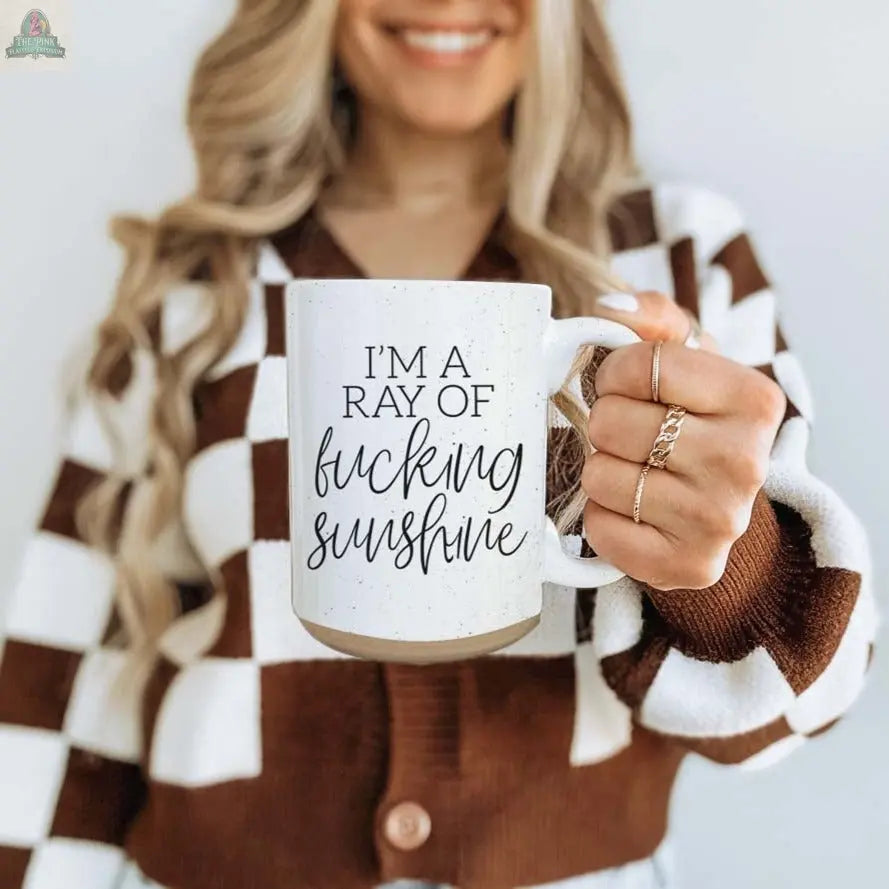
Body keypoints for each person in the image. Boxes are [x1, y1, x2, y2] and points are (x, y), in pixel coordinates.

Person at [0, 1, 877, 888]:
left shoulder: (675, 257)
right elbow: (60, 684)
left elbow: (800, 712)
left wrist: (732, 567)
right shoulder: (201, 284)